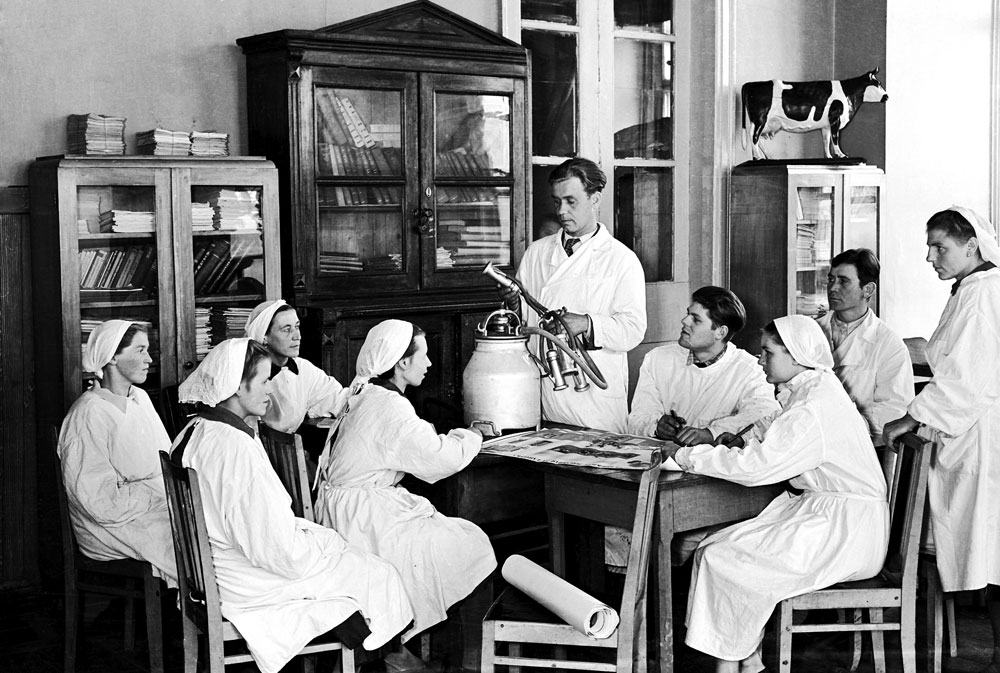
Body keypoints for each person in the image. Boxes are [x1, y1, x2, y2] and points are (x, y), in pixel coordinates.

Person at [174, 338, 414, 673]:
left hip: (215, 571)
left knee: (352, 560)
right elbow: (276, 550)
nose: (271, 388)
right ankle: (385, 660)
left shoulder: (196, 429)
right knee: (376, 572)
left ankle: (374, 657)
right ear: (236, 387)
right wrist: (320, 548)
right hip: (247, 584)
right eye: (262, 381)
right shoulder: (234, 448)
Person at [667, 315, 888, 673]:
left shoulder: (813, 405)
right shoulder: (815, 388)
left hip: (845, 531)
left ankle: (731, 664)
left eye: (767, 353)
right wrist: (740, 441)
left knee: (726, 559)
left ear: (797, 355)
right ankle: (747, 660)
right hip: (831, 515)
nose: (760, 360)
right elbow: (775, 438)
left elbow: (758, 466)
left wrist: (687, 457)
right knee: (713, 549)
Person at [314, 320, 497, 670]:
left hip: (348, 510)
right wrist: (471, 435)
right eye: (423, 357)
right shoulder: (389, 406)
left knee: (445, 542)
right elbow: (440, 458)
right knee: (472, 545)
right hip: (362, 520)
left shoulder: (368, 393)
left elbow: (406, 441)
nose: (428, 365)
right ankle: (469, 662)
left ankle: (407, 653)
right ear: (401, 363)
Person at [883, 206, 1000, 672]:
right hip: (970, 431)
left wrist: (911, 416)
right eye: (929, 246)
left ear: (971, 244)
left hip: (983, 437)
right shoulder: (972, 289)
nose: (931, 256)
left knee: (990, 553)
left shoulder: (983, 294)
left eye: (941, 247)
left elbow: (967, 379)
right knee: (985, 552)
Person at [613, 286, 780, 567]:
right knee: (618, 529)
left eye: (695, 319)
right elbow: (637, 419)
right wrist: (656, 426)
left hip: (709, 486)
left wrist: (710, 433)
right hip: (660, 474)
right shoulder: (659, 359)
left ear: (720, 332)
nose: (684, 322)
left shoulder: (749, 370)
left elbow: (761, 415)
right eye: (687, 315)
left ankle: (664, 598)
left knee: (682, 544)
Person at [501, 157, 646, 433]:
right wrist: (513, 305)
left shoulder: (620, 260)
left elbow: (633, 330)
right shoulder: (537, 252)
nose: (562, 211)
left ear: (595, 199)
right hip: (544, 393)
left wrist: (587, 323)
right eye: (557, 202)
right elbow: (523, 323)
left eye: (571, 201)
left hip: (593, 400)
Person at [58, 319, 176, 585]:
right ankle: (209, 615)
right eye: (140, 350)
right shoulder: (87, 414)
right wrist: (153, 491)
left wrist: (149, 488)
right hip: (107, 526)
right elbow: (98, 500)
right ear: (112, 357)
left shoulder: (139, 399)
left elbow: (166, 460)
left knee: (210, 530)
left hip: (148, 508)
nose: (149, 359)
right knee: (194, 543)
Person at [816, 248, 913, 449]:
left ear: (868, 290)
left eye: (843, 281)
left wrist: (838, 424)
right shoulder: (812, 330)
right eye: (831, 279)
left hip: (860, 447)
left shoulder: (889, 345)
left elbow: (893, 409)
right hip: (808, 441)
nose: (833, 288)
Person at [244, 299, 344, 434]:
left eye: (297, 327)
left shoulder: (303, 369)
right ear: (264, 336)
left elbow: (338, 399)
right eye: (286, 330)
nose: (297, 336)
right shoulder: (251, 376)